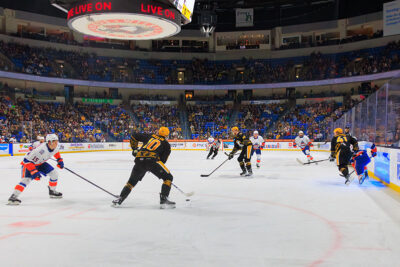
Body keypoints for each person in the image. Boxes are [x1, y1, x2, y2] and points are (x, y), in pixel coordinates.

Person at [112, 127, 175, 209]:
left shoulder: (150, 136)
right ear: (167, 135)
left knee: (131, 182)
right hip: (152, 161)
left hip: (139, 160)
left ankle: (120, 199)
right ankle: (164, 199)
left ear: (158, 132)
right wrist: (151, 166)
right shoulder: (166, 145)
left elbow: (134, 136)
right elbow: (162, 160)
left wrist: (135, 149)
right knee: (168, 178)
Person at [7, 134, 64, 205]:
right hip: (29, 164)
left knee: (54, 174)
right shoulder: (40, 150)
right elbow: (26, 161)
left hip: (40, 163)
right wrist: (34, 172)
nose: (57, 143)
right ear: (49, 142)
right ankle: (13, 197)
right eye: (55, 142)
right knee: (26, 180)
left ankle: (52, 191)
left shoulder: (55, 146)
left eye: (57, 141)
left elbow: (55, 152)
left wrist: (59, 160)